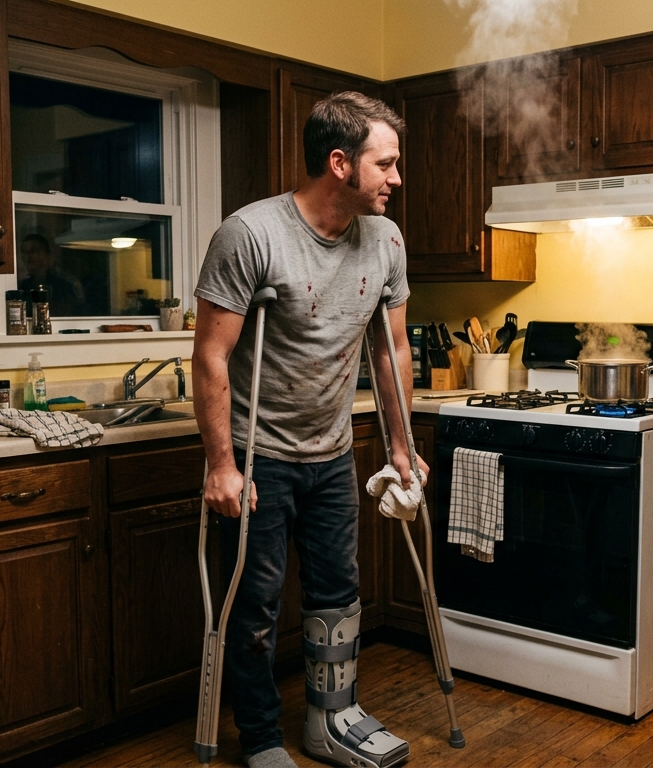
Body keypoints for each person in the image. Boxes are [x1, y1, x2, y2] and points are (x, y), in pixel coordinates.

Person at [192, 92, 423, 768]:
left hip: (331, 451)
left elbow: (392, 348)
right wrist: (221, 465)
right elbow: (210, 353)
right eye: (386, 164)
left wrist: (402, 446)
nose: (397, 178)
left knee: (336, 592)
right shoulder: (251, 234)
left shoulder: (385, 239)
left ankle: (334, 716)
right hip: (257, 455)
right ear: (339, 163)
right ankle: (261, 736)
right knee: (256, 605)